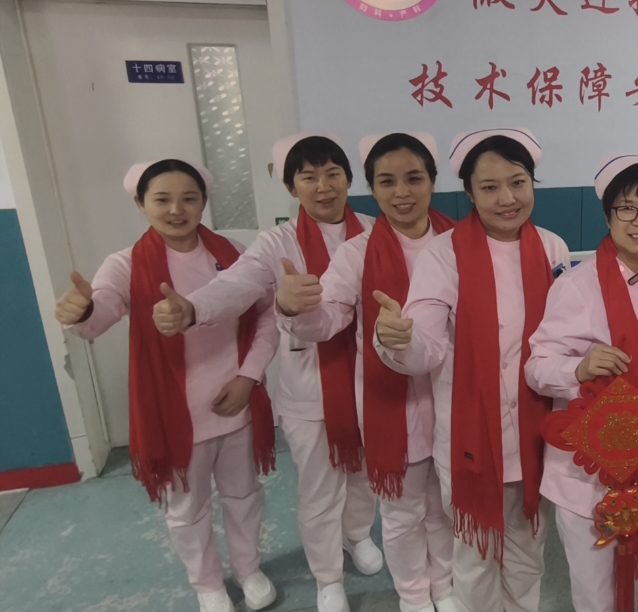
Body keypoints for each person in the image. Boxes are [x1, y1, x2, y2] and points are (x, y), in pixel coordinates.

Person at [151, 135, 382, 612]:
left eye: (333, 174)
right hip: (310, 390)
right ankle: (327, 576)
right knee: (320, 486)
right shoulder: (278, 243)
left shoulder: (376, 232)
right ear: (291, 187)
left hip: (372, 385)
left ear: (349, 180)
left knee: (364, 475)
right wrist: (192, 308)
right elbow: (235, 286)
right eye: (308, 177)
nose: (323, 186)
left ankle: (357, 534)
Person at [55, 160, 279, 612]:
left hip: (235, 401)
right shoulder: (125, 265)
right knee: (187, 507)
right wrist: (82, 311)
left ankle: (249, 569)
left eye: (189, 198)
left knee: (243, 495)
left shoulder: (235, 254)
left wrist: (248, 377)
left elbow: (267, 316)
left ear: (204, 201)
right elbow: (100, 315)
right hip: (175, 415)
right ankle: (208, 585)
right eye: (162, 199)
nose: (177, 209)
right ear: (141, 204)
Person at [373, 129, 570, 612]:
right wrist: (398, 339)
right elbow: (425, 346)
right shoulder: (445, 254)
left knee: (528, 552)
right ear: (469, 193)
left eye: (518, 183)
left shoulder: (553, 248)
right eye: (489, 187)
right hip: (471, 436)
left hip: (535, 431)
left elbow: (565, 335)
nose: (507, 198)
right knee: (476, 555)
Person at [277, 133, 458, 612]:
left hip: (450, 396)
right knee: (401, 513)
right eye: (387, 181)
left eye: (414, 178)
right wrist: (294, 307)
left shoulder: (460, 243)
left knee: (444, 505)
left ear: (433, 182)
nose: (402, 192)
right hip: (390, 401)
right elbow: (327, 320)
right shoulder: (357, 253)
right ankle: (413, 596)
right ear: (372, 189)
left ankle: (444, 586)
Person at [526, 155, 638, 612]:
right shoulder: (578, 286)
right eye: (627, 208)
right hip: (587, 470)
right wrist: (579, 370)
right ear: (607, 215)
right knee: (596, 592)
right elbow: (536, 368)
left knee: (630, 574)